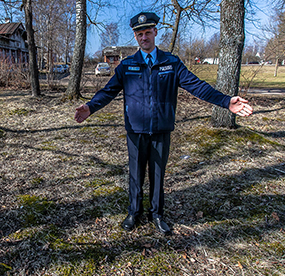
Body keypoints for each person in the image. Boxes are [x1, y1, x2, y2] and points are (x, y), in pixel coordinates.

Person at [74, 12, 253, 235]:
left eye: (148, 32)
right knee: (136, 174)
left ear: (155, 32)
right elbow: (108, 91)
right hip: (136, 130)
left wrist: (226, 101)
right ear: (135, 37)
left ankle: (157, 214)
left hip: (161, 130)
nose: (144, 37)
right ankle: (134, 213)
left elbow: (197, 86)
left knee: (157, 174)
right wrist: (91, 107)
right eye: (139, 34)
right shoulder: (128, 65)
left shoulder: (171, 63)